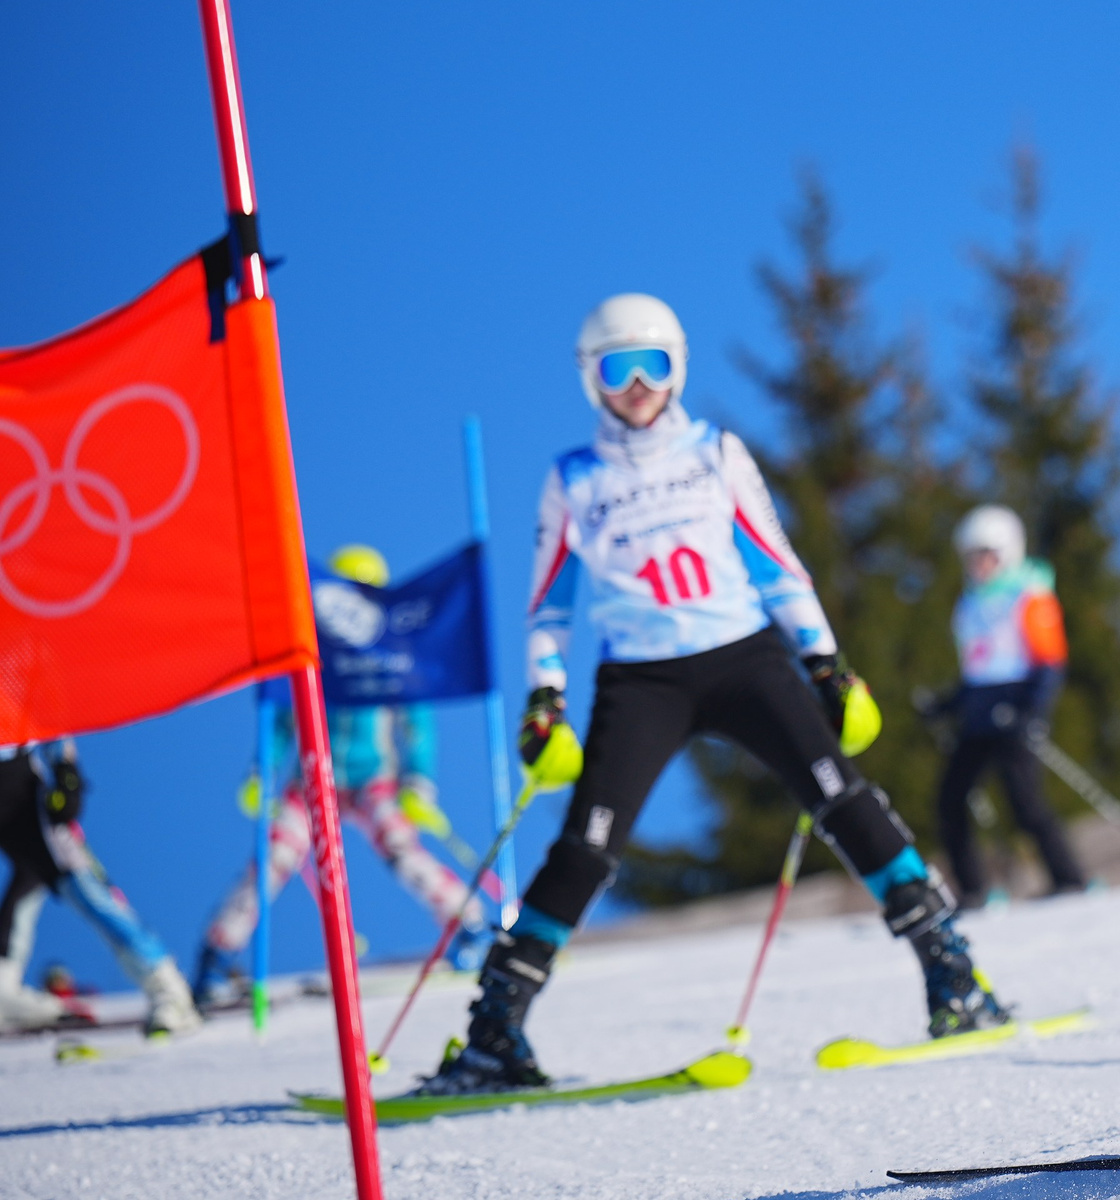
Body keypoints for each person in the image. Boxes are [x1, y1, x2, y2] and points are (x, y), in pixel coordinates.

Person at [417, 294, 1006, 1095]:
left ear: (677, 368)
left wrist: (824, 660)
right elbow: (549, 603)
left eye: (651, 364)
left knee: (842, 797)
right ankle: (495, 1028)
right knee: (586, 846)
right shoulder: (574, 479)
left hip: (743, 657)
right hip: (641, 678)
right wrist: (545, 696)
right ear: (590, 379)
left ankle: (952, 972)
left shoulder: (715, 452)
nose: (635, 385)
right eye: (614, 368)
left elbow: (776, 562)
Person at [196, 547, 493, 1004]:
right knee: (276, 854)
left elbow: (417, 726)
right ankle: (218, 951)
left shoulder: (392, 657)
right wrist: (261, 772)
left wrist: (418, 782)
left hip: (376, 778)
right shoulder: (313, 657)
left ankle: (470, 926)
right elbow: (281, 718)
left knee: (402, 851)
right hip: (315, 780)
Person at [928, 505, 1087, 905]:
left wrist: (1031, 711)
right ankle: (974, 889)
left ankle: (1070, 879)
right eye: (972, 557)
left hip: (1015, 708)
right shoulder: (969, 604)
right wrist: (946, 704)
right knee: (950, 798)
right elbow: (978, 670)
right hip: (979, 714)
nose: (978, 565)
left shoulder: (1028, 594)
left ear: (1007, 553)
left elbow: (1050, 660)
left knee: (1025, 801)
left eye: (986, 555)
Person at [1, 738, 201, 1036]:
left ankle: (167, 988)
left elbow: (45, 711)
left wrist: (67, 773)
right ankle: (5, 997)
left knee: (90, 893)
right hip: (10, 826)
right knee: (23, 896)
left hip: (34, 814)